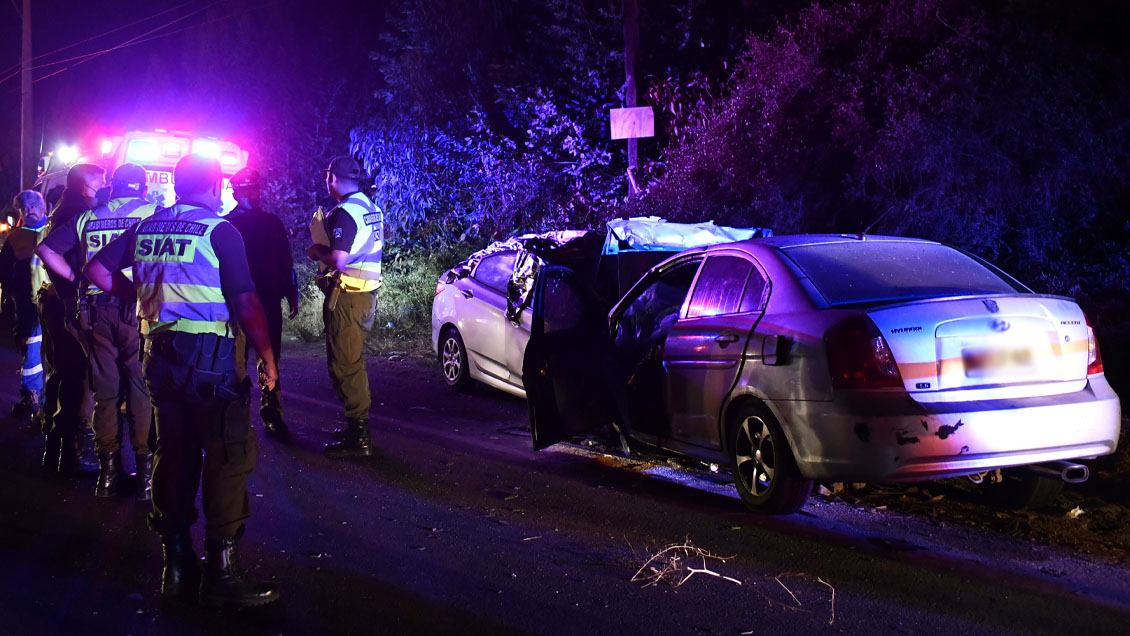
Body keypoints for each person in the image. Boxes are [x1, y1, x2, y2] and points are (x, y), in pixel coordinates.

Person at [85, 154, 279, 607]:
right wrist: (268, 358)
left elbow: (95, 270)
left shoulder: (147, 227)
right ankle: (221, 574)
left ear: (177, 185)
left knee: (173, 454)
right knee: (228, 457)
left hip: (159, 357)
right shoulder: (218, 231)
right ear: (213, 186)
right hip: (211, 362)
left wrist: (140, 296)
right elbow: (246, 302)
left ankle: (175, 568)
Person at [38, 163, 157, 499]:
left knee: (105, 392)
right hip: (135, 308)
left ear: (113, 187)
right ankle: (145, 478)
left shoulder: (89, 217)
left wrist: (77, 279)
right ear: (143, 188)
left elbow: (45, 249)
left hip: (96, 310)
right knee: (139, 388)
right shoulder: (153, 214)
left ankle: (107, 476)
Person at [306, 156, 382, 458]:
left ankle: (359, 436)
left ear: (332, 179)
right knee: (351, 361)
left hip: (348, 298)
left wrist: (316, 251)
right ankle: (354, 427)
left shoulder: (345, 212)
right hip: (366, 296)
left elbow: (339, 259)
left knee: (345, 365)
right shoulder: (370, 207)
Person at [38, 163, 104, 474]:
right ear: (83, 186)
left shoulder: (61, 208)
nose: (103, 188)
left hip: (54, 300)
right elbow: (51, 254)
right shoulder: (76, 214)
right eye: (99, 183)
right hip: (67, 302)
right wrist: (76, 283)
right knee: (76, 375)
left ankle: (54, 445)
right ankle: (71, 451)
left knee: (59, 372)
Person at [226, 168, 298, 440]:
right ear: (236, 193)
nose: (252, 194)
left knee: (270, 359)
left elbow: (285, 260)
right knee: (236, 362)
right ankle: (237, 415)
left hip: (267, 300)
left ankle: (272, 412)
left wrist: (291, 291)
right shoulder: (225, 225)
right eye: (246, 190)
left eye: (254, 189)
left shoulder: (272, 223)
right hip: (235, 305)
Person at [0, 191, 48, 418]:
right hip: (27, 302)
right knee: (29, 347)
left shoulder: (55, 228)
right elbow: (5, 271)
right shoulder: (15, 237)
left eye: (32, 206)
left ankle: (50, 400)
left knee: (53, 350)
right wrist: (10, 295)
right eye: (24, 209)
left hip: (51, 300)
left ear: (42, 206)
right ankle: (32, 395)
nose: (29, 212)